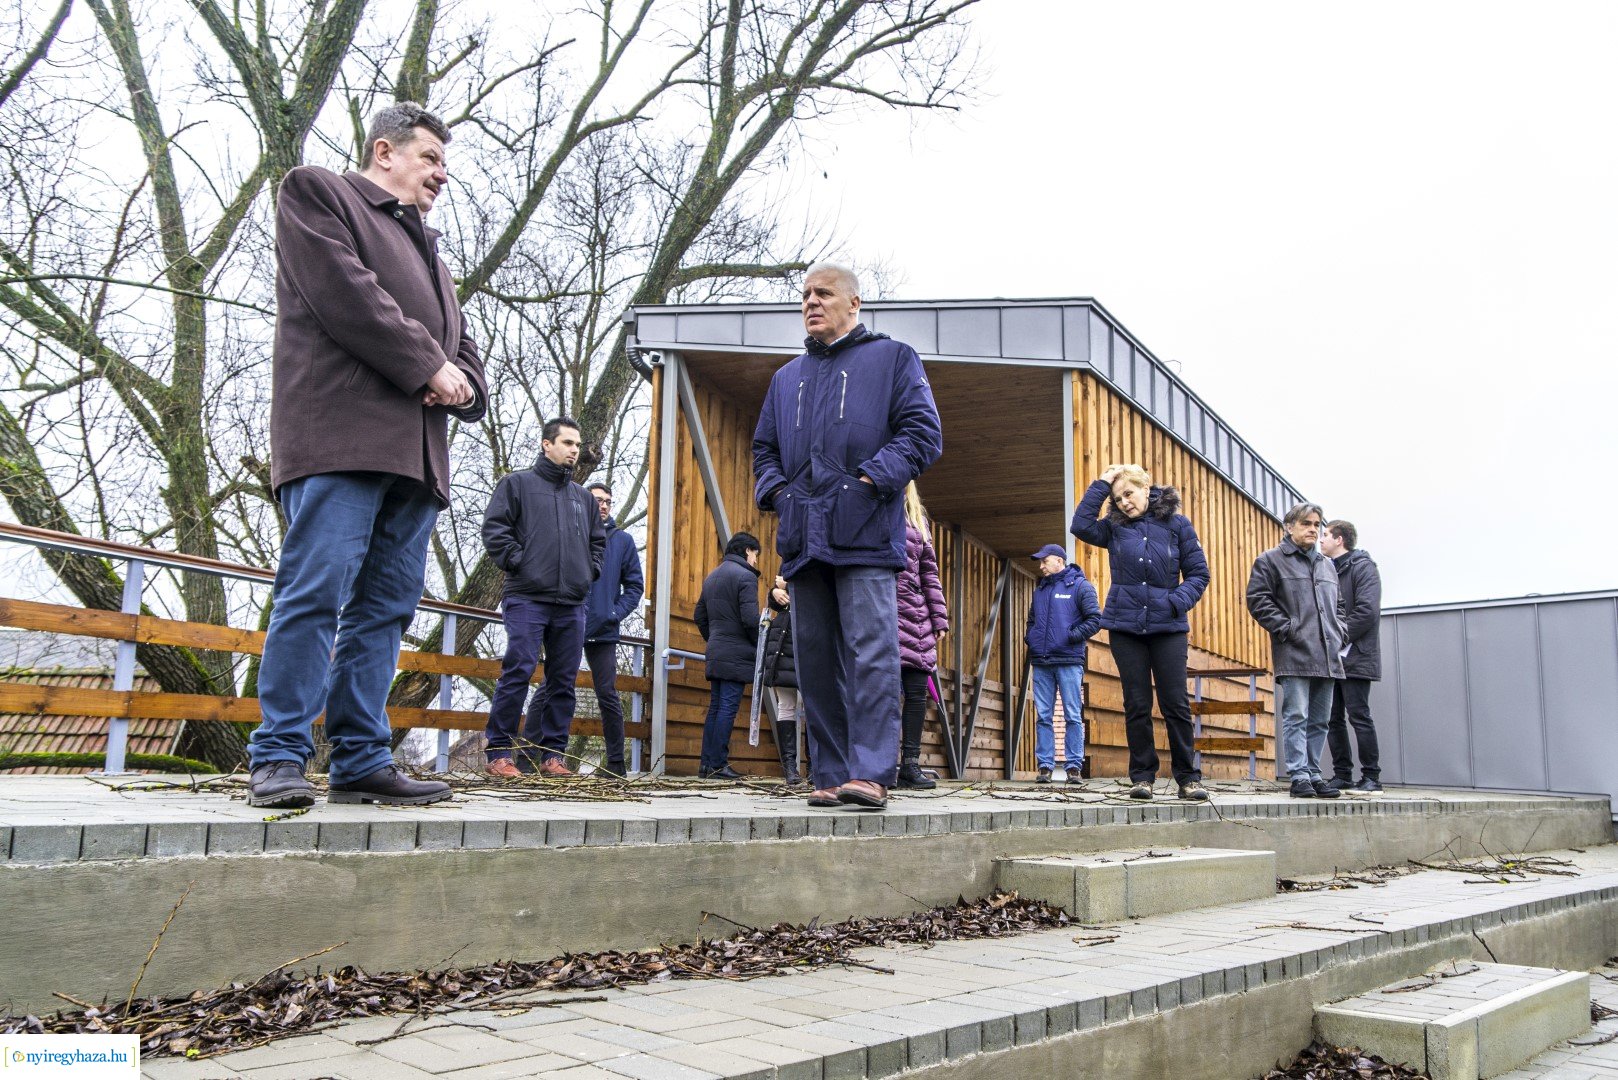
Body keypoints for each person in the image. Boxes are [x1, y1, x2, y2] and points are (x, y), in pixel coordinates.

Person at [247, 102, 488, 808]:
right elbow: (349, 297)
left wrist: (464, 382)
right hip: (340, 441)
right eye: (431, 159)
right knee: (314, 593)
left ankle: (359, 756)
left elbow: (465, 351)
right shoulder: (317, 193)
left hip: (417, 463)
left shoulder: (432, 254)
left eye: (445, 164)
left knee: (384, 612)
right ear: (384, 151)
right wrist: (429, 367)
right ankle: (279, 755)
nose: (442, 174)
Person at [752, 262, 943, 810]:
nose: (812, 302)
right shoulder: (786, 378)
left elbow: (923, 434)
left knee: (871, 651)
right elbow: (763, 449)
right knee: (814, 658)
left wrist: (866, 484)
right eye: (806, 295)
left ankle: (872, 772)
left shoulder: (892, 359)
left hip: (864, 531)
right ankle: (831, 773)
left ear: (854, 304)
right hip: (804, 538)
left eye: (825, 293)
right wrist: (779, 495)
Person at [1071, 464, 1212, 802]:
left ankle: (1188, 779)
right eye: (1118, 499)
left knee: (1175, 703)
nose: (1124, 503)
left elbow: (1198, 573)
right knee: (1136, 704)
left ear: (1147, 487)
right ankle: (1142, 778)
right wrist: (1103, 484)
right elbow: (1080, 525)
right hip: (1125, 627)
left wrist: (1176, 602)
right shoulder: (1113, 528)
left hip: (1168, 627)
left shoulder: (1178, 525)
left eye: (1129, 494)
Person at [481, 418, 606, 778]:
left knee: (563, 680)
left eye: (578, 445)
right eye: (567, 442)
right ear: (545, 445)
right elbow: (495, 529)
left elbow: (598, 543)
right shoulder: (516, 484)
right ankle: (499, 753)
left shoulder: (582, 498)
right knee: (518, 669)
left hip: (571, 602)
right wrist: (520, 562)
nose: (573, 450)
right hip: (526, 597)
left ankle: (554, 756)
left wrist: (589, 571)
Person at [527, 481, 643, 777]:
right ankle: (530, 755)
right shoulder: (569, 532)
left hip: (603, 629)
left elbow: (634, 585)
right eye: (598, 500)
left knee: (607, 693)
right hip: (568, 622)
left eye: (608, 501)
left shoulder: (623, 541)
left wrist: (614, 613)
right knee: (550, 687)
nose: (603, 505)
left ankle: (615, 765)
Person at [1246, 502, 1347, 799]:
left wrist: (1338, 632)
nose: (1313, 529)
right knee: (1296, 715)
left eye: (1317, 525)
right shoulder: (1271, 560)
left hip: (1327, 655)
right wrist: (1287, 629)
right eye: (1306, 524)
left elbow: (1339, 606)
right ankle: (1299, 775)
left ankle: (1315, 774)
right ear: (1289, 527)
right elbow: (1258, 599)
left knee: (1320, 720)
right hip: (1294, 651)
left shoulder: (1327, 564)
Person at [1025, 543, 1102, 784]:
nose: (1041, 566)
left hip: (1069, 660)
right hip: (1042, 661)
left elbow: (1095, 620)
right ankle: (1045, 767)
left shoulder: (1081, 586)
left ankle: (1073, 768)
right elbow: (1031, 621)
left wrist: (1069, 636)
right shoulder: (1040, 590)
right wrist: (1033, 639)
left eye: (1044, 561)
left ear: (1059, 561)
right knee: (1044, 715)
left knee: (1072, 715)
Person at [693, 532, 763, 780]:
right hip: (737, 652)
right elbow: (750, 619)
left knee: (715, 707)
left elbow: (699, 616)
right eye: (756, 554)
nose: (756, 561)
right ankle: (718, 764)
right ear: (747, 551)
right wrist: (759, 645)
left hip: (717, 649)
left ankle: (706, 764)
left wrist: (714, 638)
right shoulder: (745, 577)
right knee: (727, 708)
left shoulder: (712, 576)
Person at [1320, 520, 1383, 793]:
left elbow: (1367, 612)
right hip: (1331, 658)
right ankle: (1342, 775)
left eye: (1325, 535)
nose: (1320, 540)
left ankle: (1371, 777)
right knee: (1332, 718)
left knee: (1359, 715)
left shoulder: (1363, 568)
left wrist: (1339, 639)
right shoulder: (1325, 569)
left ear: (1340, 539)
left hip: (1356, 656)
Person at [896, 483, 949, 790]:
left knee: (917, 694)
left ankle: (910, 765)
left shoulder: (918, 518)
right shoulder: (875, 507)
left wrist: (939, 617)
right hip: (882, 611)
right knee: (884, 695)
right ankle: (881, 765)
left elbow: (929, 571)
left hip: (916, 616)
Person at [762, 575, 804, 786]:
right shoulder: (788, 564)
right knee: (786, 705)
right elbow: (778, 601)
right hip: (785, 640)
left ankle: (815, 769)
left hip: (807, 638)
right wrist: (773, 593)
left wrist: (786, 586)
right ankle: (790, 769)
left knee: (814, 708)